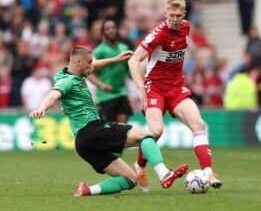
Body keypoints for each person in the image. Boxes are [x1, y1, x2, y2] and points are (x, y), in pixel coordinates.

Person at [30, 46, 188, 196]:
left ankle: (88, 190)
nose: (92, 65)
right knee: (145, 136)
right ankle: (164, 174)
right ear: (79, 62)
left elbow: (96, 65)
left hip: (83, 144)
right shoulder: (67, 81)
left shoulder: (74, 72)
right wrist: (42, 108)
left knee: (130, 179)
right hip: (91, 130)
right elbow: (53, 95)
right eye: (89, 62)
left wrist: (115, 59)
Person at [128, 0, 222, 193]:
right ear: (165, 14)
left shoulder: (187, 28)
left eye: (179, 15)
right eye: (171, 15)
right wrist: (141, 91)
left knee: (198, 124)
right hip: (155, 88)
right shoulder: (158, 34)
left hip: (176, 88)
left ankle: (208, 172)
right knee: (156, 132)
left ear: (184, 15)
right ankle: (139, 168)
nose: (175, 19)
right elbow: (133, 61)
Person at [88, 19, 132, 123]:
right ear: (103, 32)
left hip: (122, 92)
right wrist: (101, 85)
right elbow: (88, 73)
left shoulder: (124, 48)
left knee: (123, 127)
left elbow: (129, 70)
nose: (111, 31)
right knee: (109, 130)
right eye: (108, 29)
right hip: (105, 96)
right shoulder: (99, 51)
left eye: (113, 28)